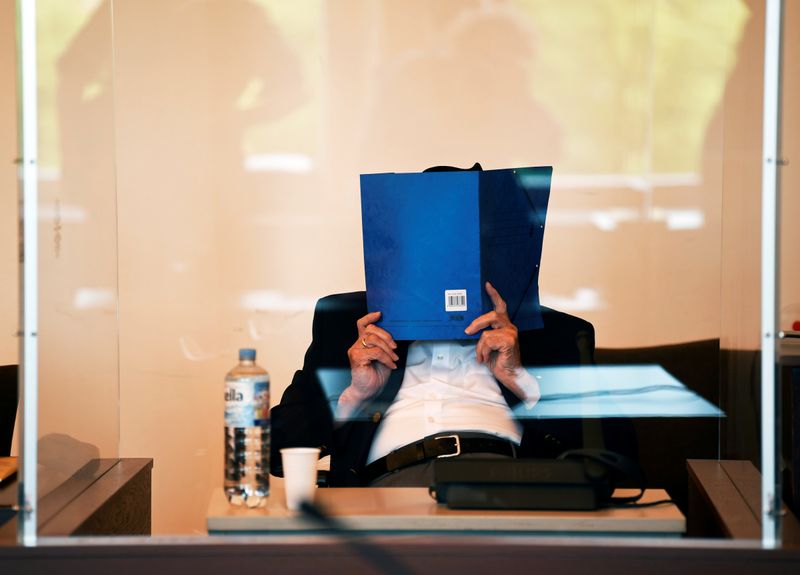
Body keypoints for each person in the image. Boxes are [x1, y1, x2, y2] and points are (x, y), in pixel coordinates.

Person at [270, 282, 623, 487]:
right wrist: (352, 396)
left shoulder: (547, 332)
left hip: (508, 487)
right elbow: (275, 449)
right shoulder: (351, 326)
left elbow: (619, 453)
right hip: (388, 492)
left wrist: (521, 379)